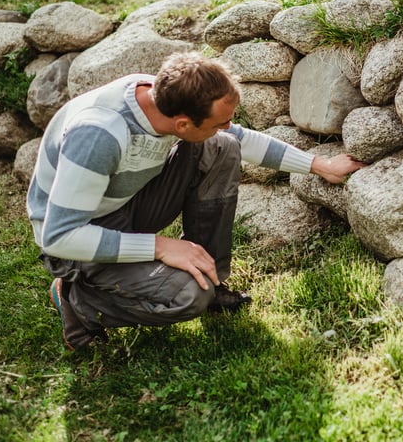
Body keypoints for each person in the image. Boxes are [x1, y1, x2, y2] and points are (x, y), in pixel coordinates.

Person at [27, 51, 365, 350]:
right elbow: (58, 237)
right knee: (189, 296)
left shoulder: (165, 97)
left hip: (123, 204)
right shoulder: (99, 135)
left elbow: (239, 139)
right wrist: (160, 246)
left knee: (222, 146)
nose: (229, 125)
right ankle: (77, 301)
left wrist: (320, 165)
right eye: (221, 121)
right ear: (183, 124)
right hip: (75, 242)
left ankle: (212, 279)